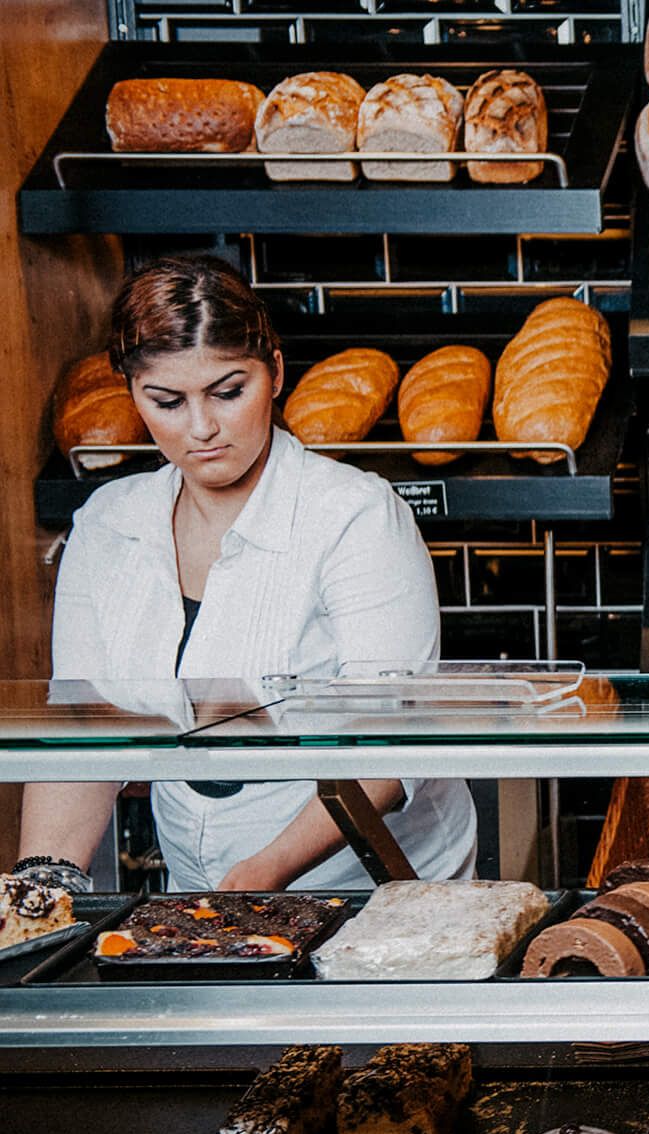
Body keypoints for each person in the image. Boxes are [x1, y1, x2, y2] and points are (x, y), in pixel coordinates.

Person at [14, 255, 476, 892]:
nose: (201, 427)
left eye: (228, 392)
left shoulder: (357, 518)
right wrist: (40, 887)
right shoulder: (107, 527)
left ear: (276, 372)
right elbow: (86, 729)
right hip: (202, 883)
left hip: (372, 889)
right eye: (167, 401)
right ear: (132, 394)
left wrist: (261, 875)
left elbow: (390, 753)